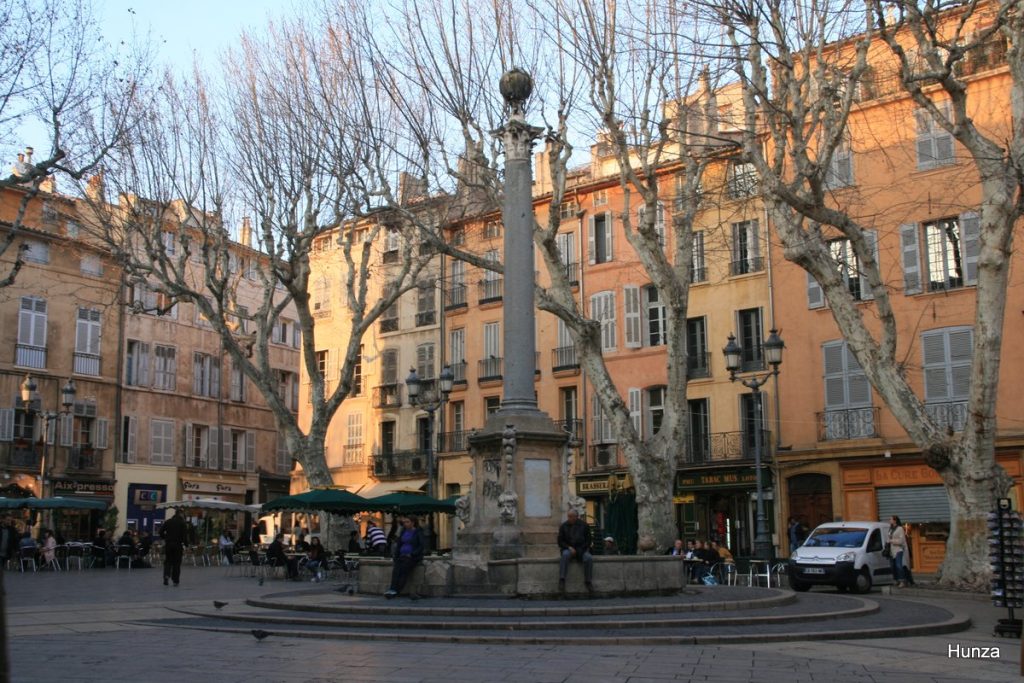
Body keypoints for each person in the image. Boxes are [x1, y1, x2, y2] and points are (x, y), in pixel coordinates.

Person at [384, 515, 424, 598]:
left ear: (413, 523)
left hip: (412, 556)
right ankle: (392, 589)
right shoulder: (403, 531)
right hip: (402, 555)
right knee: (396, 570)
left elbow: (421, 546)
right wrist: (396, 555)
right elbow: (399, 544)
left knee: (403, 570)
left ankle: (396, 590)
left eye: (407, 522)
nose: (405, 524)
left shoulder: (418, 532)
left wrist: (412, 554)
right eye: (404, 522)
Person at [557, 508, 593, 594]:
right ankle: (562, 579)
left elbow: (588, 541)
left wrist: (581, 549)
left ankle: (588, 581)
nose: (569, 518)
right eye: (568, 516)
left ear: (576, 517)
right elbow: (560, 541)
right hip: (568, 548)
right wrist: (569, 547)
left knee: (588, 558)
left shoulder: (584, 525)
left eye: (571, 516)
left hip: (582, 549)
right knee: (565, 555)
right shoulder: (563, 526)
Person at [160, 509, 187, 586]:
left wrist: (166, 538)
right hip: (178, 545)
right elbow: (184, 536)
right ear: (180, 514)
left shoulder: (168, 521)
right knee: (176, 563)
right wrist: (186, 544)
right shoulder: (182, 523)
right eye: (183, 514)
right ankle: (175, 580)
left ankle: (166, 576)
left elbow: (160, 532)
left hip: (169, 545)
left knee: (168, 561)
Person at [888, 515, 908, 588]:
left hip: (898, 550)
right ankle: (896, 580)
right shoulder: (890, 529)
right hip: (891, 550)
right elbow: (889, 538)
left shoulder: (900, 529)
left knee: (898, 565)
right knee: (892, 566)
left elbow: (901, 540)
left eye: (891, 519)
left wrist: (891, 541)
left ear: (895, 520)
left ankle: (902, 581)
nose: (889, 520)